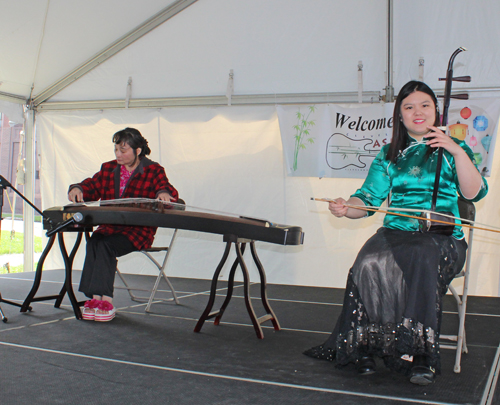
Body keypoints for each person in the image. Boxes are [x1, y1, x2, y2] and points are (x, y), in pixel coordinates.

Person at [304, 81, 488, 385]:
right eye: (409, 107)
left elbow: (474, 192)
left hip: (442, 240)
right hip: (397, 234)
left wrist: (455, 150)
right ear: (399, 115)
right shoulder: (389, 153)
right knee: (367, 260)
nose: (418, 112)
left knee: (423, 255)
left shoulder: (456, 149)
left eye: (425, 105)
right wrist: (345, 207)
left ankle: (421, 355)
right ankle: (365, 345)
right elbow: (367, 200)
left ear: (436, 111)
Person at [68, 127, 178, 322]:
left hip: (138, 231)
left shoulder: (153, 170)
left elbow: (166, 189)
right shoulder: (108, 168)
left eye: (123, 150)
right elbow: (91, 187)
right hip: (110, 227)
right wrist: (78, 189)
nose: (118, 155)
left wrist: (163, 194)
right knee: (94, 242)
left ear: (137, 151)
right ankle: (94, 300)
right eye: (116, 150)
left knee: (105, 245)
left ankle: (106, 301)